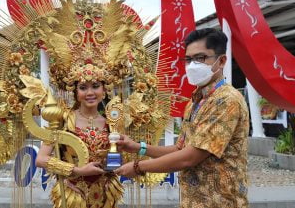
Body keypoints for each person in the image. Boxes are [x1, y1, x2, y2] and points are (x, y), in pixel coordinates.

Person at [114, 28, 250, 208]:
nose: (193, 65)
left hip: (220, 202)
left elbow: (190, 157)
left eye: (200, 58)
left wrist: (138, 167)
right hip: (193, 201)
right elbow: (181, 148)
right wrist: (138, 147)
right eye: (189, 59)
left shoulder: (226, 100)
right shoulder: (196, 101)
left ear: (222, 60)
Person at [36, 80, 123, 208]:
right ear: (76, 93)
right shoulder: (63, 121)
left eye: (95, 86)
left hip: (106, 195)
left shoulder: (112, 123)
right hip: (73, 195)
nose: (90, 93)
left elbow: (120, 160)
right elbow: (41, 159)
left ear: (104, 90)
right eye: (83, 88)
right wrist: (79, 170)